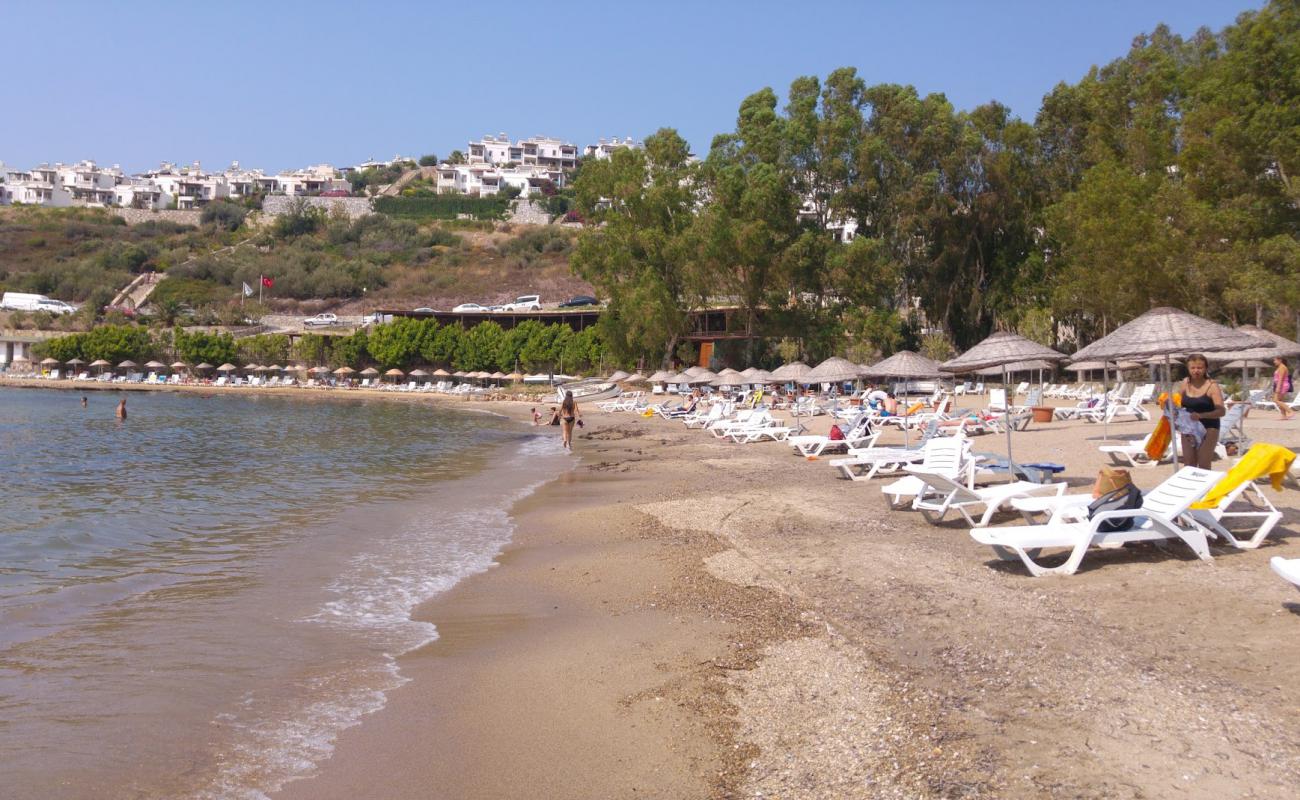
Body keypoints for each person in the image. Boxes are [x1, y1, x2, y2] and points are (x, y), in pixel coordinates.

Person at [1178, 354, 1224, 469]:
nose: (1196, 371)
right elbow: (1177, 402)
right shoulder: (1185, 383)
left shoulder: (1212, 386)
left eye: (1199, 368)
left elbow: (1221, 411)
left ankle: (1208, 487)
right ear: (1188, 369)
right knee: (1189, 463)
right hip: (1189, 427)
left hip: (1209, 427)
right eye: (1192, 368)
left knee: (1203, 463)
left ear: (1205, 368)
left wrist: (1201, 415)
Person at [1272, 356, 1294, 421]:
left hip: (1282, 385)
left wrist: (1278, 388)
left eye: (1275, 360)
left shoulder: (1282, 367)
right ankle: (1284, 415)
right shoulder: (1280, 367)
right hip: (1281, 385)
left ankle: (1290, 411)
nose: (1274, 362)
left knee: (1276, 400)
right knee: (1280, 401)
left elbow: (1281, 379)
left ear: (1280, 360)